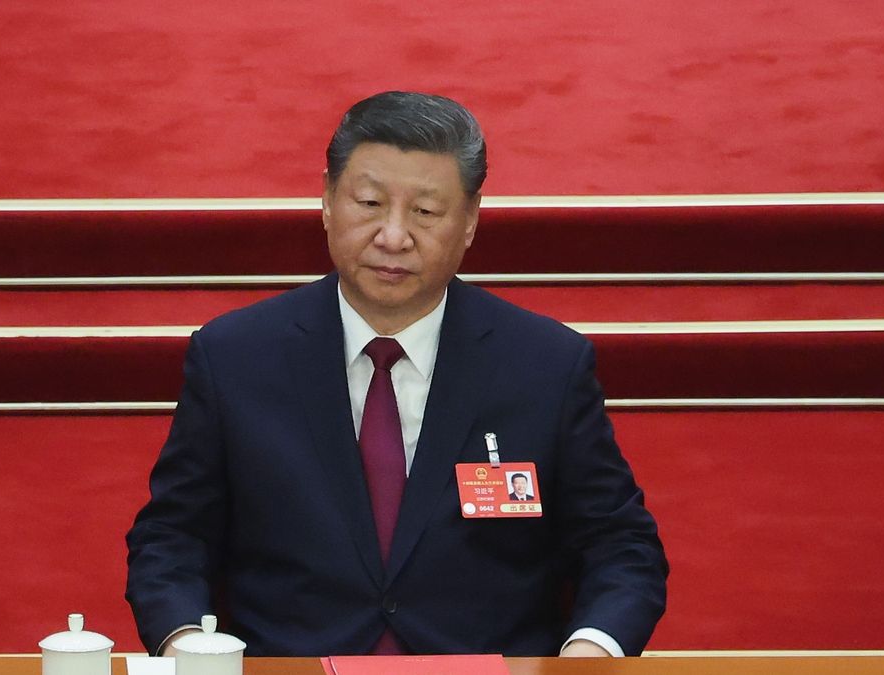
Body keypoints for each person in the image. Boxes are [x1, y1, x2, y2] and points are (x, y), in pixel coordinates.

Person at [125, 91, 667, 659]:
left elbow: (621, 545)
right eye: (369, 203)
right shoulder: (235, 357)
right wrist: (186, 642)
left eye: (426, 212)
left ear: (470, 221)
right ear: (327, 201)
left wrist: (589, 654)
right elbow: (172, 537)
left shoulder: (545, 364)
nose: (393, 236)